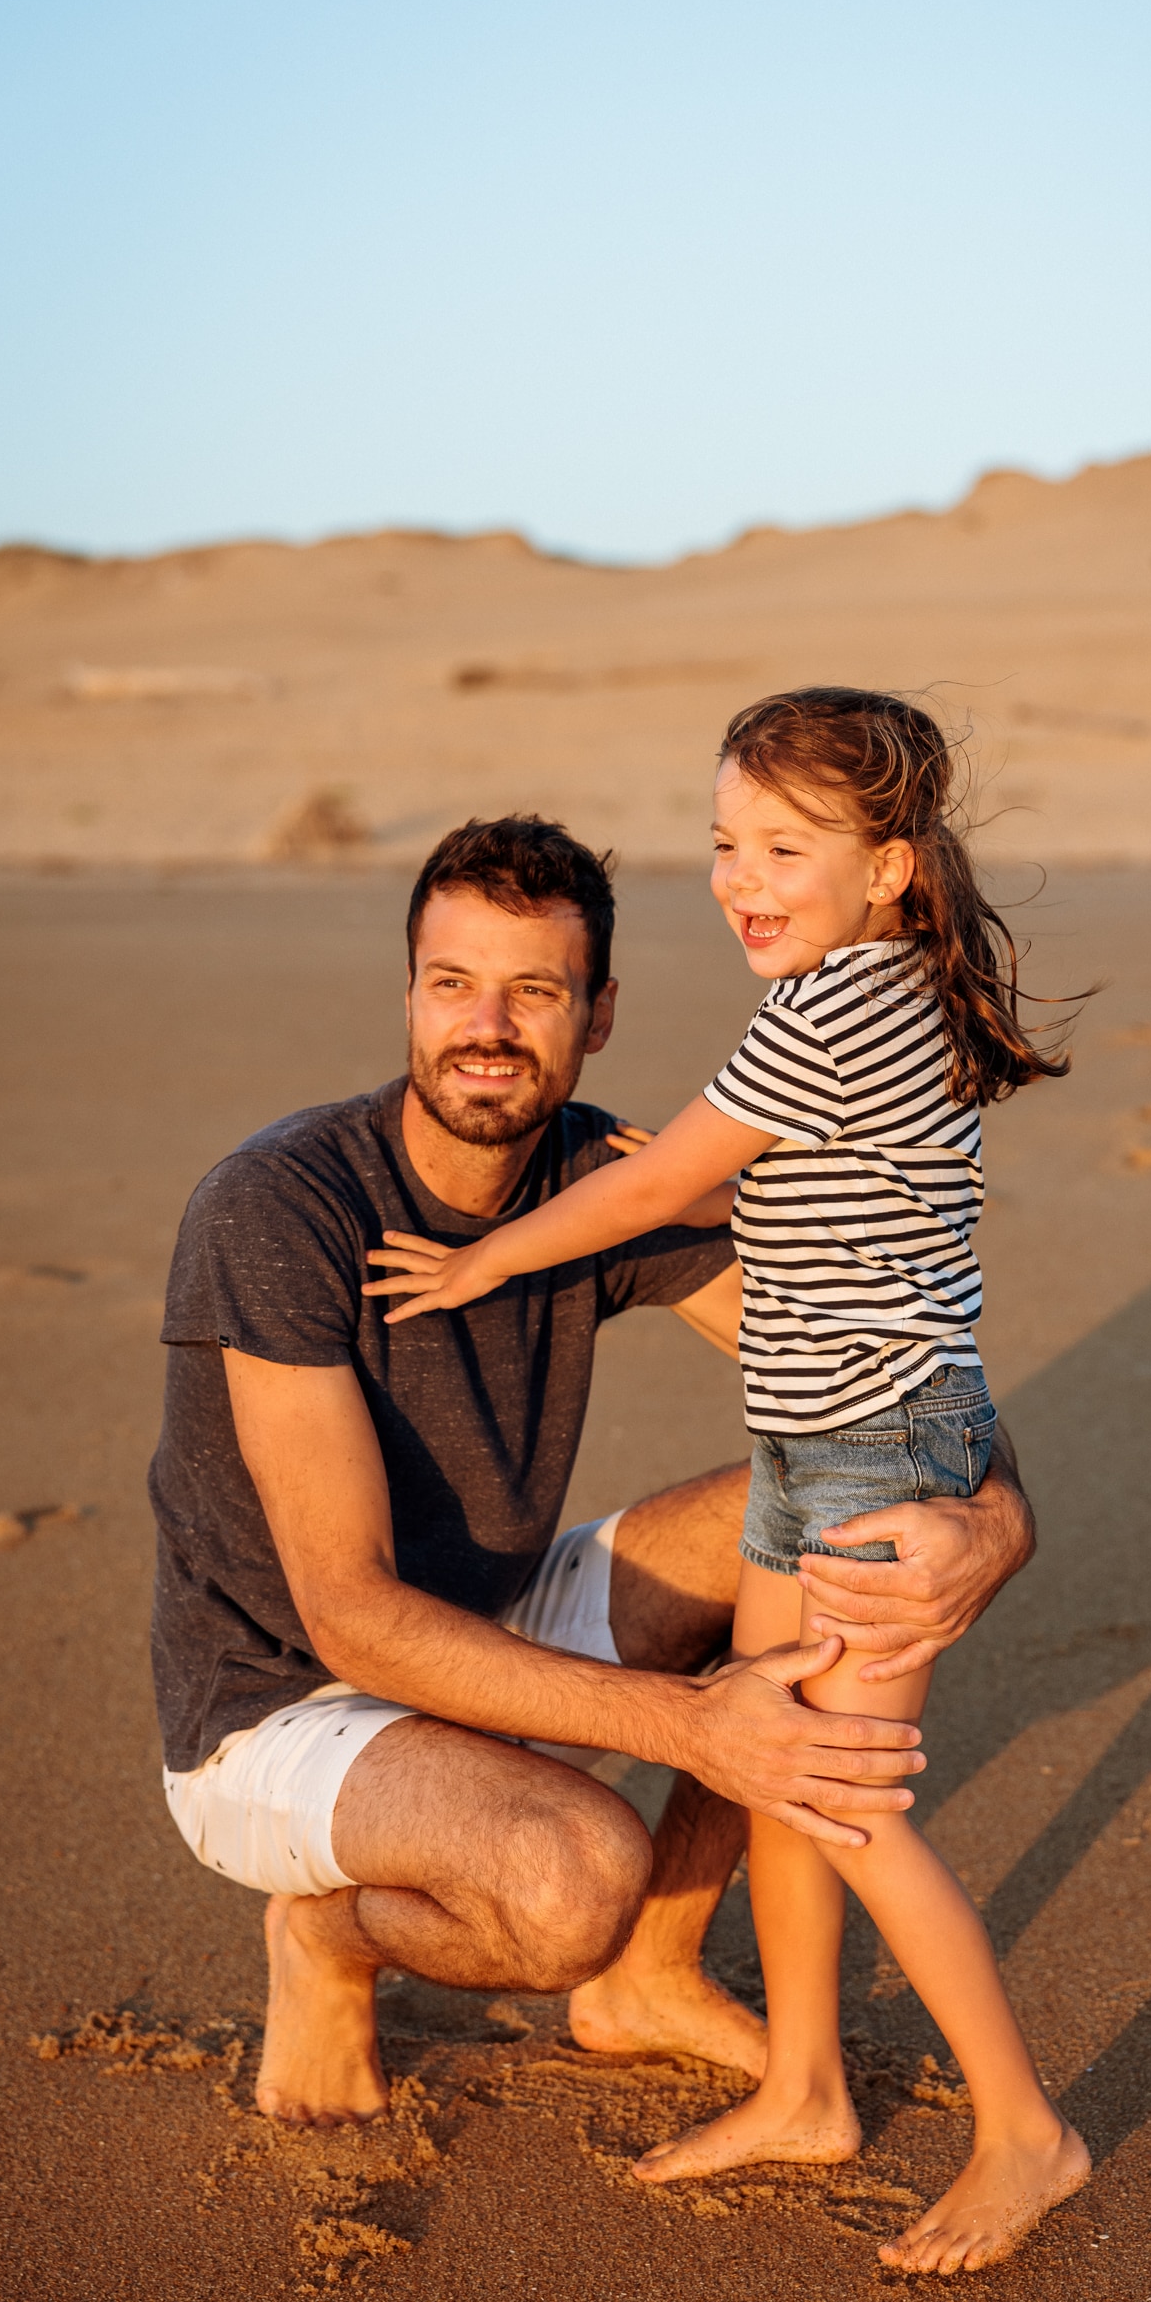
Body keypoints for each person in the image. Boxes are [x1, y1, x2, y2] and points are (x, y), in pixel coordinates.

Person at [149, 811, 1038, 2144]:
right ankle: (330, 1937)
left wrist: (994, 1516)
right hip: (283, 1703)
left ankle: (655, 1972)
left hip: (488, 1627)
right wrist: (690, 1726)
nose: (487, 1028)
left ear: (599, 1014)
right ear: (408, 993)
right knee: (572, 1878)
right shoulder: (279, 1210)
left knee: (844, 1514)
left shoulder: (592, 1178)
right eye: (452, 984)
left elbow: (874, 1373)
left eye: (534, 991)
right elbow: (348, 1612)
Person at [362, 694, 1092, 2275]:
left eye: (783, 847)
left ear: (891, 868)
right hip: (817, 1440)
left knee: (848, 1807)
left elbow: (667, 1181)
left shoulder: (831, 1012)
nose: (739, 877)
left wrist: (486, 1254)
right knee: (774, 1767)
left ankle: (1028, 2131)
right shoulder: (889, 991)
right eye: (722, 844)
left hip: (880, 1465)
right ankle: (809, 2085)